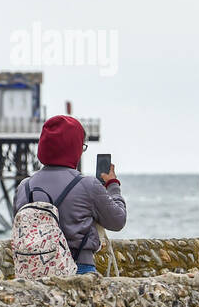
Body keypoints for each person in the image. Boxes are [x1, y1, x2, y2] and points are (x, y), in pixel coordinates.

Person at [12, 115, 126, 275]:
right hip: (79, 269)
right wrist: (113, 185)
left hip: (34, 272)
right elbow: (118, 220)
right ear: (75, 148)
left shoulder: (24, 187)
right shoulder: (88, 185)